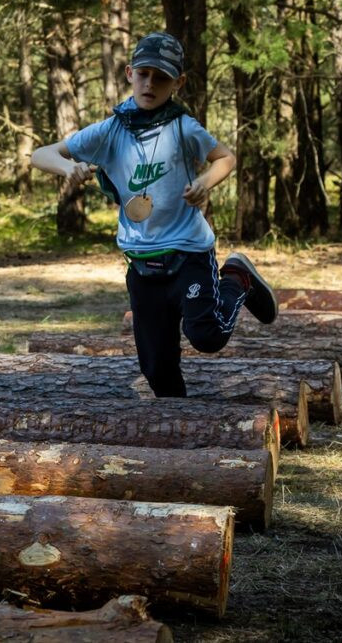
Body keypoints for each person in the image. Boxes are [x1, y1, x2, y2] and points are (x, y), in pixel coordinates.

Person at [30, 32, 277, 398]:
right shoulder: (111, 130)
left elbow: (226, 157)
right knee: (157, 370)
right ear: (129, 73)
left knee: (206, 336)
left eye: (161, 77)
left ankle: (238, 278)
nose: (150, 84)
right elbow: (41, 154)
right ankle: (178, 435)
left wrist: (205, 182)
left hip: (188, 252)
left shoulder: (183, 128)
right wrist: (68, 170)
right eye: (143, 74)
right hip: (142, 263)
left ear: (178, 82)